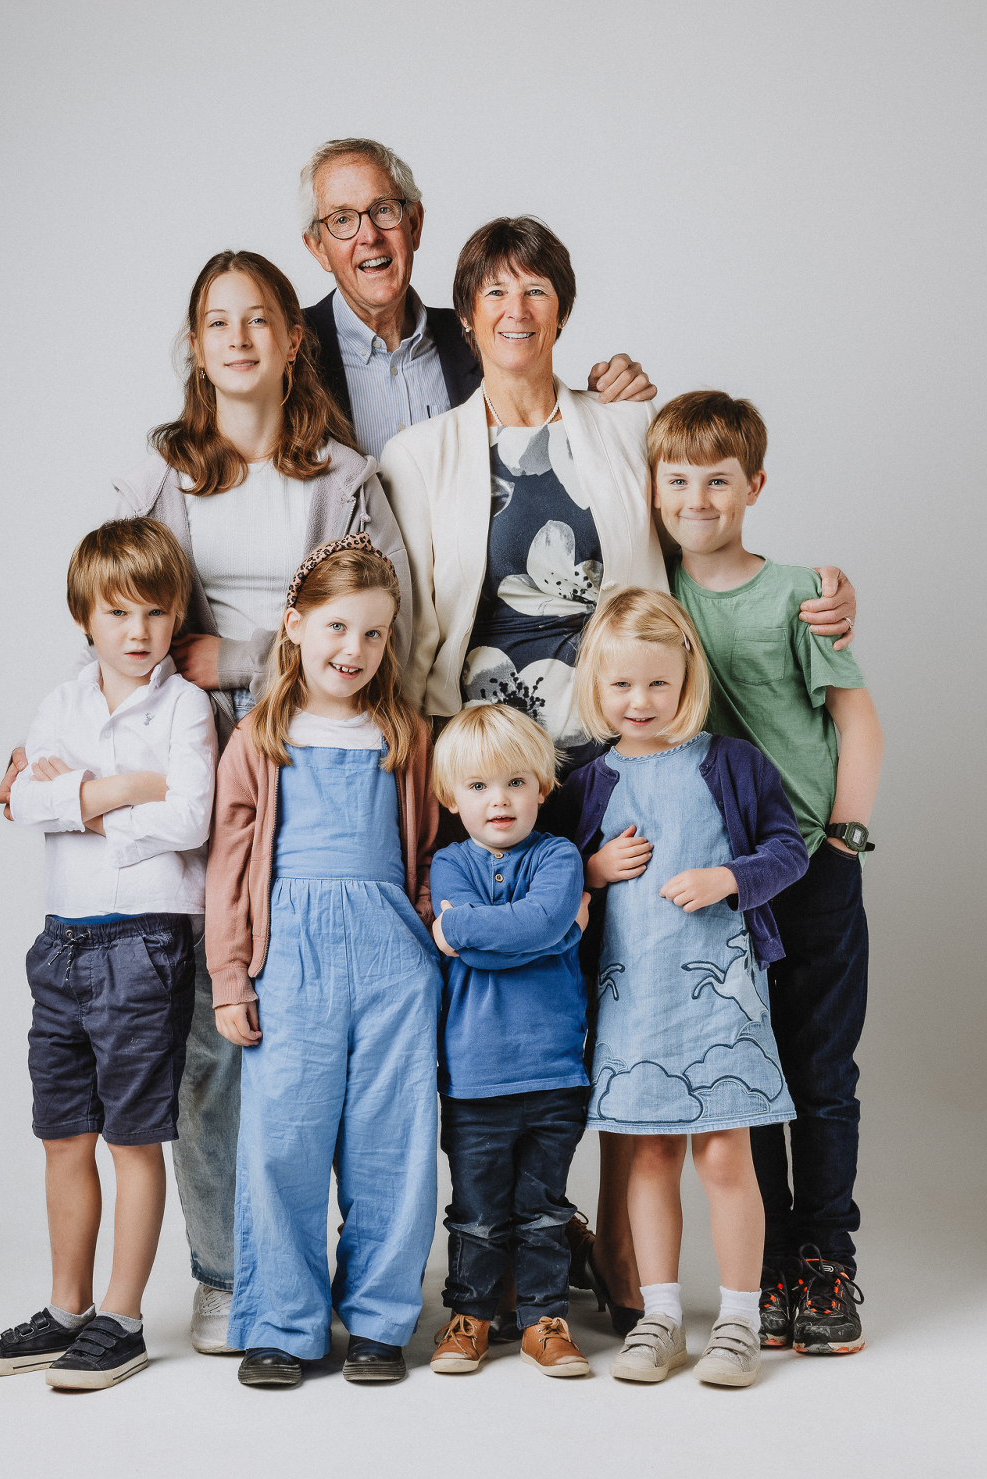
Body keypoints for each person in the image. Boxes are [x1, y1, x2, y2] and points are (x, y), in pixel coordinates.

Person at [379, 214, 859, 1337]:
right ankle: (507, 1260)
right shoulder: (419, 456)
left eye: (536, 290)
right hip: (496, 782)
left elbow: (706, 536)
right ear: (467, 314)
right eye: (493, 292)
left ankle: (623, 1283)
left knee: (629, 1017)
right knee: (514, 1023)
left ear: (562, 308)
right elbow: (408, 636)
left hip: (620, 770)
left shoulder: (621, 420)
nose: (515, 310)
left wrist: (813, 594)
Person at [0, 250, 408, 1358]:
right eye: (217, 321)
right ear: (195, 344)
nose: (237, 338)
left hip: (313, 758)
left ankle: (344, 1275)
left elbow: (380, 623)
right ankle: (229, 1274)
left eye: (260, 318)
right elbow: (116, 608)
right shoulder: (160, 473)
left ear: (290, 339)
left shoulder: (342, 474)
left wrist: (235, 655)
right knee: (212, 1036)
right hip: (192, 760)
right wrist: (57, 753)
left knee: (324, 1023)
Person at [652, 391, 882, 1355]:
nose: (698, 498)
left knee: (820, 1070)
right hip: (718, 877)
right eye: (678, 480)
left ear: (753, 485)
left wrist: (844, 836)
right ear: (654, 490)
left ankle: (828, 1260)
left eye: (718, 479)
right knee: (750, 1076)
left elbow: (855, 720)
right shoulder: (652, 589)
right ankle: (775, 1259)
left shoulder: (797, 589)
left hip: (811, 864)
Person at [0, 519, 217, 1389]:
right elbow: (22, 801)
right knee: (63, 1135)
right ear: (86, 619)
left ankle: (121, 1318)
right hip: (61, 943)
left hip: (143, 944)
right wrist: (120, 792)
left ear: (175, 615)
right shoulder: (61, 703)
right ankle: (64, 1311)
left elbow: (191, 818)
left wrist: (75, 801)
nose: (138, 631)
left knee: (131, 1138)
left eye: (154, 612)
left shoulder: (184, 706)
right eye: (118, 613)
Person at [206, 536, 442, 1388]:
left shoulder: (404, 735)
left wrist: (435, 940)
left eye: (376, 634)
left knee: (394, 1145)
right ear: (295, 623)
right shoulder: (258, 739)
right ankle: (283, 1323)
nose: (355, 650)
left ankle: (379, 1322)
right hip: (290, 960)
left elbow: (423, 862)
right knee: (284, 1142)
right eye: (339, 627)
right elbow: (231, 873)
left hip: (392, 962)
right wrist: (231, 978)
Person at [561, 587, 808, 1388]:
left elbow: (789, 849)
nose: (639, 702)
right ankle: (660, 1316)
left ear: (686, 679)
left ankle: (737, 1318)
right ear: (596, 686)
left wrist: (727, 877)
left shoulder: (731, 764)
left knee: (728, 1157)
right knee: (650, 1156)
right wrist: (592, 869)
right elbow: (553, 871)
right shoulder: (587, 782)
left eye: (657, 684)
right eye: (621, 685)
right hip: (634, 1004)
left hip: (719, 1003)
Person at [298, 138, 658, 460]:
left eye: (384, 210)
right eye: (342, 220)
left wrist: (603, 404)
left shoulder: (484, 333)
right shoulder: (286, 353)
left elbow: (539, 425)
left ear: (415, 223)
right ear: (318, 248)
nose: (369, 236)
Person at [427, 705, 593, 1379]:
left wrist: (472, 932)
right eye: (478, 786)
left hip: (555, 1073)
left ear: (542, 789)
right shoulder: (448, 862)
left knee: (544, 1208)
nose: (499, 799)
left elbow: (512, 928)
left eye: (516, 782)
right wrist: (559, 934)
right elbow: (537, 930)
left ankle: (545, 1319)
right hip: (473, 1078)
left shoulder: (559, 855)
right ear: (450, 797)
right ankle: (470, 1315)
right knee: (475, 1210)